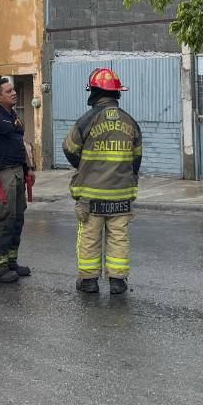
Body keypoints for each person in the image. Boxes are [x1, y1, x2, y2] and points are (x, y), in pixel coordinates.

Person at [62, 68, 142, 295]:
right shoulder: (131, 121)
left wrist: (85, 165)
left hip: (91, 193)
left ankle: (89, 282)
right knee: (119, 237)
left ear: (94, 92)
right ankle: (117, 282)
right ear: (117, 93)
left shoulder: (86, 120)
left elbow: (69, 149)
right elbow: (136, 159)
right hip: (121, 193)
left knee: (89, 236)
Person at [0, 77, 34, 283]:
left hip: (18, 172)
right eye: (9, 91)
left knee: (17, 218)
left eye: (14, 90)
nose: (14, 93)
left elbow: (21, 144)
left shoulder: (13, 116)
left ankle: (10, 262)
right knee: (3, 219)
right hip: (2, 174)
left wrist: (29, 168)